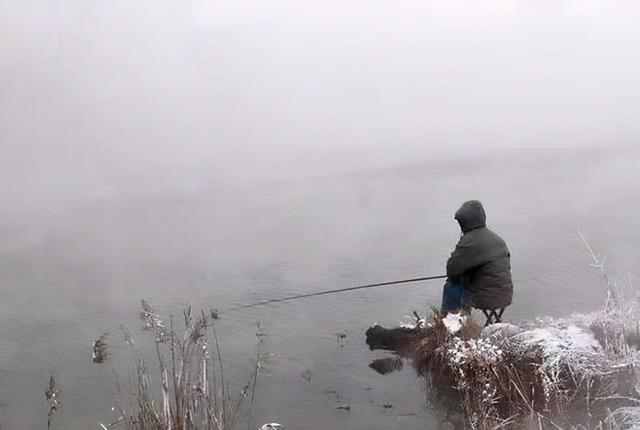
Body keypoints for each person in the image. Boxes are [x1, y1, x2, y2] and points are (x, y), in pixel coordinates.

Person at [441, 200, 513, 314]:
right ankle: (463, 322)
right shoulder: (497, 239)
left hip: (485, 298)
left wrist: (457, 277)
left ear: (465, 222)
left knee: (451, 286)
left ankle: (451, 322)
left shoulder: (469, 242)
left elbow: (452, 271)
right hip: (505, 295)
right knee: (463, 282)